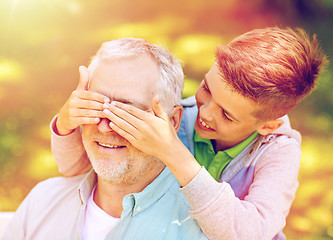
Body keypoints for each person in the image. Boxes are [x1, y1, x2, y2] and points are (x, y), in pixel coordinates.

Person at [49, 27, 328, 240]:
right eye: (206, 89)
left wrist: (172, 152)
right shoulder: (175, 118)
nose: (204, 113)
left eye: (227, 115)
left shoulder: (278, 152)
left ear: (267, 126)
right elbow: (75, 168)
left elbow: (249, 232)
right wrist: (65, 123)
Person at [3, 38, 208, 240]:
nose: (103, 126)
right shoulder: (43, 201)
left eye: (125, 112)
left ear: (172, 121)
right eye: (94, 105)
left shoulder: (199, 229)